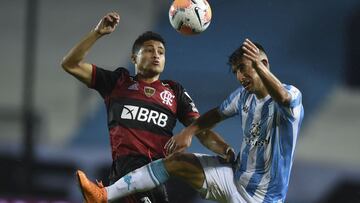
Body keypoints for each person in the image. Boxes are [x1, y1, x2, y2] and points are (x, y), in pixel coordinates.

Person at [75, 38, 304, 203]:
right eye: (236, 71)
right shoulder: (243, 96)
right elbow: (216, 114)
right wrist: (190, 131)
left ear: (263, 64)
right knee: (176, 162)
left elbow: (283, 98)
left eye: (244, 68)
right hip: (234, 178)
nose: (240, 77)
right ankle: (104, 195)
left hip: (262, 199)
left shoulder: (291, 96)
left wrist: (257, 67)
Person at [61, 12, 233, 203]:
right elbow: (71, 64)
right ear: (134, 58)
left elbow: (202, 130)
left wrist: (225, 150)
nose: (156, 55)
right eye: (149, 50)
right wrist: (97, 33)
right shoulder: (117, 82)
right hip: (124, 173)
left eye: (161, 52)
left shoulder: (175, 91)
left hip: (155, 178)